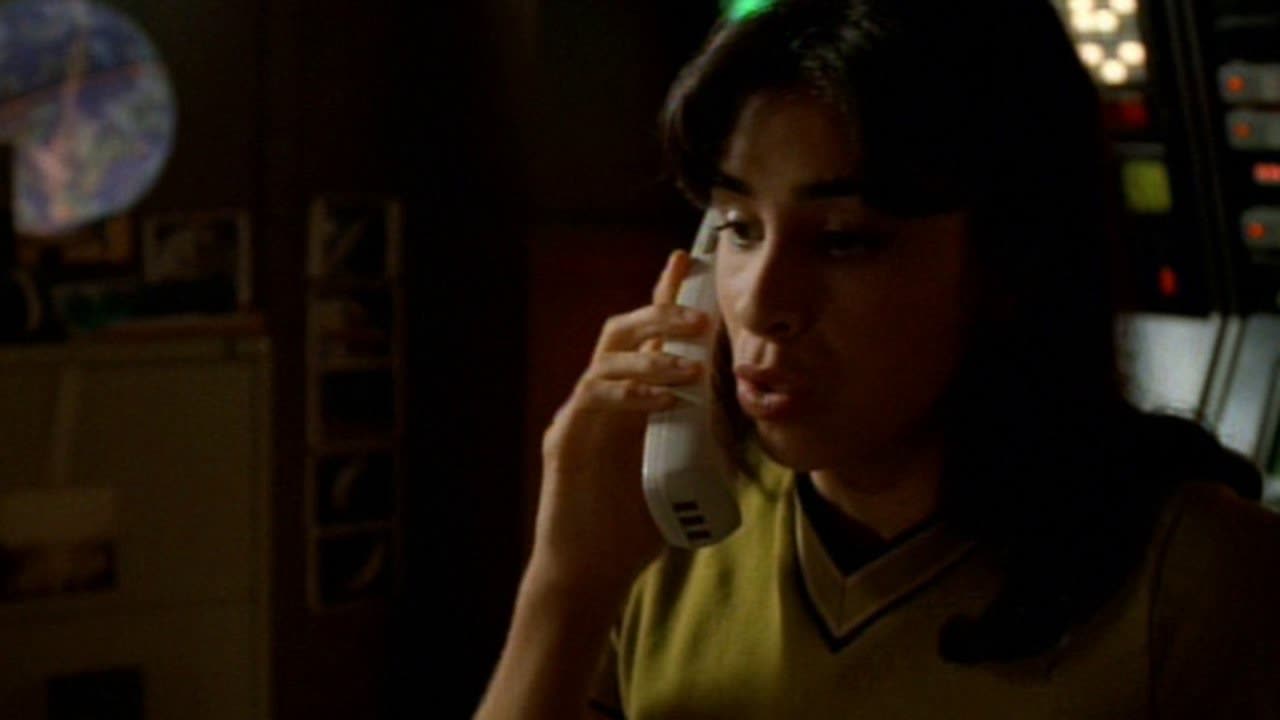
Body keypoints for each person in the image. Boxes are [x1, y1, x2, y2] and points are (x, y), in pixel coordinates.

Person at [475, 0, 1280, 717]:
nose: (760, 302)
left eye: (842, 240)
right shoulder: (671, 529)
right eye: (739, 228)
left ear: (1007, 264)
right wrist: (565, 589)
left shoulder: (1199, 581)